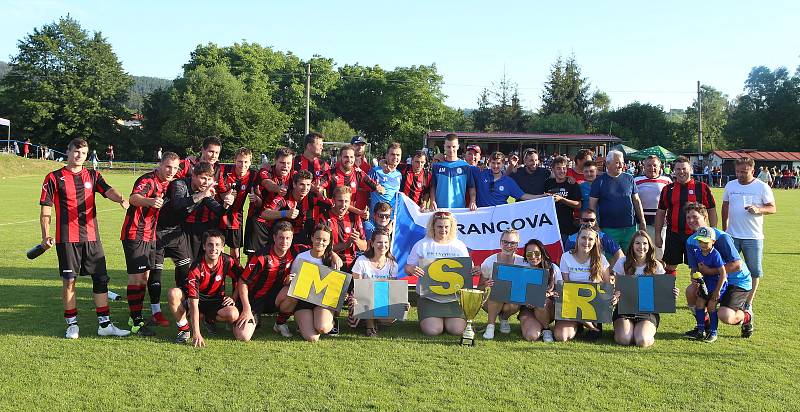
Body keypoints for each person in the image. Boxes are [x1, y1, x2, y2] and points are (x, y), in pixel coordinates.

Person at [39, 138, 130, 339]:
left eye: (83, 153)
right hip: (66, 238)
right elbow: (46, 209)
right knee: (69, 281)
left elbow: (108, 190)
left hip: (91, 237)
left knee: (100, 280)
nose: (79, 156)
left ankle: (105, 325)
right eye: (76, 152)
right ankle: (72, 325)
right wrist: (46, 234)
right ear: (68, 152)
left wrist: (120, 198)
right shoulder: (53, 178)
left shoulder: (93, 175)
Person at [121, 152, 180, 334]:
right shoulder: (148, 180)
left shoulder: (170, 182)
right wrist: (150, 201)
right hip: (135, 234)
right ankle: (136, 322)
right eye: (168, 166)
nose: (171, 171)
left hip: (150, 235)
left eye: (175, 168)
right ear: (160, 164)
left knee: (144, 277)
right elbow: (133, 198)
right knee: (136, 278)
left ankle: (135, 315)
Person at [683, 202, 754, 338]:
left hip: (736, 280)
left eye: (695, 217)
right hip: (713, 280)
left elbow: (737, 265)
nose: (691, 220)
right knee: (691, 291)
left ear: (705, 217)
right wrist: (694, 279)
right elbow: (694, 267)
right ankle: (704, 326)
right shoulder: (691, 241)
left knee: (725, 315)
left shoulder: (720, 237)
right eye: (688, 218)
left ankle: (746, 316)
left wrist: (710, 272)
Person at [235, 221, 315, 340]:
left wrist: (333, 254)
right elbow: (242, 282)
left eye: (288, 238)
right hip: (255, 300)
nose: (284, 242)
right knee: (243, 336)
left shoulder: (296, 250)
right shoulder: (262, 257)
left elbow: (319, 248)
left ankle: (280, 323)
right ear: (274, 238)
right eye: (281, 238)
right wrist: (246, 309)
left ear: (292, 238)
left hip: (276, 297)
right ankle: (244, 316)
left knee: (292, 291)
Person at [405, 211, 480, 336]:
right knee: (433, 331)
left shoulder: (459, 246)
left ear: (451, 227)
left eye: (446, 226)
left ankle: (451, 319)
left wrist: (474, 270)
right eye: (439, 226)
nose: (443, 230)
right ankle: (432, 318)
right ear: (432, 226)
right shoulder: (422, 245)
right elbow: (407, 268)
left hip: (454, 299)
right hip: (429, 297)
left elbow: (468, 270)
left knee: (456, 330)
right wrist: (412, 269)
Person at [167, 230, 245, 346]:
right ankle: (184, 330)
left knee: (233, 314)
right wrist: (197, 333)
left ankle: (208, 319)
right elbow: (194, 303)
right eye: (210, 244)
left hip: (216, 300)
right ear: (204, 246)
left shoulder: (228, 261)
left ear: (223, 247)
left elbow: (243, 278)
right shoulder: (196, 267)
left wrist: (234, 297)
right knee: (173, 293)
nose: (214, 248)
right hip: (198, 300)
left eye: (217, 245)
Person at [721, 157, 775, 318]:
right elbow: (725, 205)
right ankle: (725, 298)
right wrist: (725, 230)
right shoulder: (731, 185)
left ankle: (748, 303)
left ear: (753, 170)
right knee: (727, 269)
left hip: (753, 237)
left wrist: (758, 209)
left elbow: (772, 208)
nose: (740, 175)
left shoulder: (762, 187)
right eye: (738, 171)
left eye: (744, 172)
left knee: (754, 272)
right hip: (732, 236)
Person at [611, 231, 675, 348]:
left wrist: (671, 293)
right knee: (624, 339)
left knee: (642, 341)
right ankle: (625, 329)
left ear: (649, 246)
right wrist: (615, 295)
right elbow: (616, 287)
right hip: (625, 309)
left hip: (647, 311)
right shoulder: (622, 262)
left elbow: (663, 290)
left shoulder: (656, 265)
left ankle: (642, 329)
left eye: (644, 243)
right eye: (637, 243)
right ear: (632, 245)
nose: (641, 247)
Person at [654, 156, 716, 275]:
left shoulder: (702, 187)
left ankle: (699, 292)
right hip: (674, 233)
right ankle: (669, 292)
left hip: (697, 235)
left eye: (684, 168)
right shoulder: (668, 189)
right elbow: (661, 212)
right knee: (670, 266)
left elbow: (712, 210)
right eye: (678, 169)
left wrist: (713, 232)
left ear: (690, 169)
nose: (681, 172)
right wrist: (657, 235)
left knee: (698, 266)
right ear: (674, 170)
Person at [554, 226, 613, 342]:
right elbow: (566, 287)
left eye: (590, 239)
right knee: (561, 336)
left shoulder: (601, 259)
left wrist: (613, 296)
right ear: (577, 239)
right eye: (583, 238)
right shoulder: (566, 257)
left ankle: (589, 324)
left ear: (595, 241)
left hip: (593, 307)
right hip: (572, 304)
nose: (586, 242)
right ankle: (582, 324)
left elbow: (607, 285)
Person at [287, 224, 344, 342]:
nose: (321, 242)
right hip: (303, 301)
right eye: (318, 238)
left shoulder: (332, 261)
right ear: (312, 238)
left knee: (322, 328)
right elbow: (293, 280)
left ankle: (332, 321)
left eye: (324, 240)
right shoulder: (301, 257)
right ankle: (304, 322)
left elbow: (335, 289)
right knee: (312, 337)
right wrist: (290, 280)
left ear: (329, 242)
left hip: (322, 303)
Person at [349, 229, 405, 337]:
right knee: (364, 298)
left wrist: (400, 303)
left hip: (381, 296)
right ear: (372, 243)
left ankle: (374, 319)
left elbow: (391, 290)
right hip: (362, 296)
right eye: (379, 242)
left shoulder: (392, 264)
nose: (382, 245)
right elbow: (358, 287)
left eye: (386, 242)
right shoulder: (362, 260)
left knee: (391, 317)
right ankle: (370, 325)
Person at [589, 150, 646, 251]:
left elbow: (636, 201)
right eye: (617, 162)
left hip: (630, 228)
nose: (621, 165)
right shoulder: (599, 181)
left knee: (631, 260)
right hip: (608, 229)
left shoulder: (629, 178)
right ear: (607, 163)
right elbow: (592, 206)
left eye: (622, 162)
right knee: (611, 262)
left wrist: (642, 221)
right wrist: (596, 225)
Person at [262, 170, 332, 247]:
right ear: (294, 184)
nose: (305, 188)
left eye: (308, 185)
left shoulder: (312, 198)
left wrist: (319, 193)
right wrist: (285, 213)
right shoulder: (284, 197)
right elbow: (264, 214)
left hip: (300, 236)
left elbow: (334, 204)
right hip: (281, 236)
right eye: (302, 184)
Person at [477, 229, 525, 339]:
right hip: (490, 301)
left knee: (515, 300)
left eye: (512, 243)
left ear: (517, 245)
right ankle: (491, 326)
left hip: (511, 301)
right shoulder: (489, 262)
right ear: (500, 243)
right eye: (505, 242)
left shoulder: (523, 263)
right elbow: (479, 287)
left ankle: (504, 318)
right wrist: (486, 284)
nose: (508, 245)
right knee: (497, 290)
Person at [246, 147, 294, 256]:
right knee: (254, 259)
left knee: (274, 257)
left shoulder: (293, 174)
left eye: (288, 163)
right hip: (258, 222)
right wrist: (278, 189)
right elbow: (267, 183)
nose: (286, 166)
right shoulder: (265, 171)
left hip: (277, 223)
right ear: (275, 161)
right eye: (282, 162)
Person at [686, 227, 727, 343]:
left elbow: (723, 274)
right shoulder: (697, 252)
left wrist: (717, 291)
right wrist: (696, 278)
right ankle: (701, 330)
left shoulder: (715, 255)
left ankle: (713, 332)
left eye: (705, 242)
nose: (702, 244)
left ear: (713, 241)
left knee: (711, 306)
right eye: (700, 241)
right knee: (699, 303)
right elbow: (696, 269)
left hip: (718, 283)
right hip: (706, 283)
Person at [218, 148, 260, 262]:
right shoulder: (223, 170)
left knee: (235, 250)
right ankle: (218, 273)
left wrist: (255, 198)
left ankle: (235, 277)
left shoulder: (253, 175)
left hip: (236, 216)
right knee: (217, 247)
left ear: (250, 162)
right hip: (218, 213)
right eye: (240, 161)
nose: (243, 164)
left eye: (246, 162)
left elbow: (259, 195)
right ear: (234, 160)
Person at [319, 144, 383, 219]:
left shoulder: (359, 173)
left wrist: (379, 187)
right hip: (333, 217)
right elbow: (318, 189)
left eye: (351, 157)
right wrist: (327, 200)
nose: (349, 160)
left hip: (351, 219)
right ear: (340, 158)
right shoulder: (330, 174)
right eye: (346, 157)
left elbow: (378, 188)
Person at [515, 239, 559, 343]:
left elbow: (560, 291)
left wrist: (549, 293)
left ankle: (546, 328)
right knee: (531, 336)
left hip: (547, 307)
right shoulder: (522, 268)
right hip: (528, 308)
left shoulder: (553, 268)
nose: (533, 256)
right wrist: (525, 301)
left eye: (537, 253)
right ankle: (537, 325)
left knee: (540, 301)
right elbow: (516, 292)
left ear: (542, 253)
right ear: (525, 255)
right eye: (529, 253)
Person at [318, 186, 367, 273]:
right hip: (330, 261)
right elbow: (321, 246)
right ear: (333, 200)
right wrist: (346, 245)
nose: (343, 205)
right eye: (340, 201)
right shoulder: (324, 218)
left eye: (346, 201)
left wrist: (357, 240)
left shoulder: (354, 217)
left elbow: (365, 246)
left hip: (352, 263)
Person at [633, 155, 672, 259]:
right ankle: (643, 274)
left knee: (660, 251)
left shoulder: (667, 181)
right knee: (643, 250)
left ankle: (660, 274)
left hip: (661, 222)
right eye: (649, 165)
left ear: (660, 167)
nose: (652, 168)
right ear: (644, 167)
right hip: (642, 222)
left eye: (655, 165)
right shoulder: (636, 180)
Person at [429, 133, 476, 210]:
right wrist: (432, 201)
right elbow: (433, 186)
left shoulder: (465, 166)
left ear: (458, 146)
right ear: (444, 146)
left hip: (459, 209)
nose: (451, 150)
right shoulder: (437, 166)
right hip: (440, 208)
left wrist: (473, 201)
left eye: (453, 147)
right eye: (448, 147)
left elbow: (471, 187)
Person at [544, 156, 582, 245]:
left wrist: (561, 199)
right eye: (558, 168)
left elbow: (578, 204)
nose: (562, 171)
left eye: (564, 168)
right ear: (552, 169)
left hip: (567, 227)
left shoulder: (572, 184)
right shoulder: (548, 183)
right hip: (550, 228)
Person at [367, 142, 402, 213]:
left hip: (392, 217)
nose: (395, 157)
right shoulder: (376, 171)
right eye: (392, 154)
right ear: (386, 156)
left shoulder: (399, 174)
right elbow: (365, 188)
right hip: (377, 217)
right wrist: (376, 187)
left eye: (398, 155)